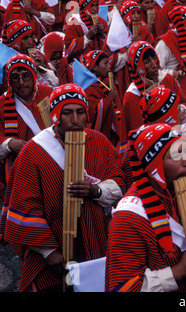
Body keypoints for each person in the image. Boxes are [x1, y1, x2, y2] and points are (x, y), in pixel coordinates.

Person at [0, 84, 126, 292]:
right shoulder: (34, 151)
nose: (75, 120)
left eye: (80, 112)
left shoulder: (100, 142)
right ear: (55, 115)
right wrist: (49, 251)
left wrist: (97, 191)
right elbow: (24, 206)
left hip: (96, 243)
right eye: (67, 113)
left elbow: (120, 181)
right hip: (53, 248)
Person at [105, 123, 186, 292]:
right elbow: (122, 287)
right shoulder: (127, 218)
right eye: (175, 155)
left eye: (185, 151)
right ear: (154, 165)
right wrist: (178, 271)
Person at [0, 54, 53, 201]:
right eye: (15, 77)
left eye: (26, 76)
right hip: (19, 173)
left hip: (52, 167)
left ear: (34, 76)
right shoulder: (2, 103)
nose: (21, 82)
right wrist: (10, 143)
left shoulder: (50, 94)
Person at [120, 41, 186, 152]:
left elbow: (183, 102)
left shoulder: (167, 79)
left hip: (178, 141)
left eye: (154, 58)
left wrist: (181, 111)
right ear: (138, 67)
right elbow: (139, 136)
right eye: (147, 62)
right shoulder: (132, 96)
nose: (154, 65)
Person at [82, 50, 121, 147]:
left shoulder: (107, 82)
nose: (109, 66)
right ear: (95, 67)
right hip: (102, 135)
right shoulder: (88, 87)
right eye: (105, 63)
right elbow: (92, 112)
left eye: (109, 62)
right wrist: (108, 99)